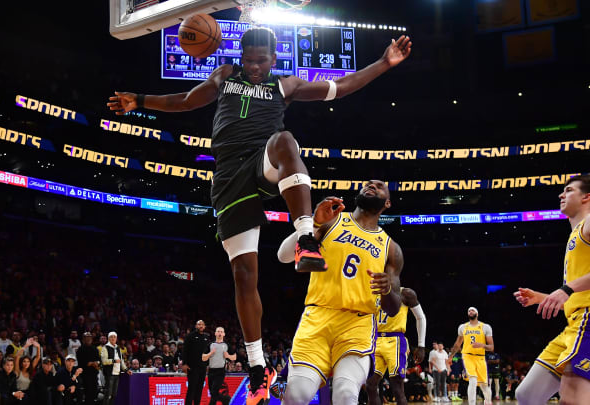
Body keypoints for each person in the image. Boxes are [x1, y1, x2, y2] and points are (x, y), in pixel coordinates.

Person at [108, 29, 412, 404]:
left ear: (273, 59)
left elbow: (343, 85)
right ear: (241, 55)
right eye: (249, 59)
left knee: (285, 141)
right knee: (243, 274)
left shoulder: (286, 85)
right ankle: (256, 365)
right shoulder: (224, 76)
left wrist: (384, 62)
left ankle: (304, 237)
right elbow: (186, 101)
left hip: (262, 161)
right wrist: (139, 100)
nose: (254, 66)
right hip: (229, 179)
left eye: (261, 60)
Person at [277, 181, 404, 405]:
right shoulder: (332, 221)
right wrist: (313, 223)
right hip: (317, 318)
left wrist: (386, 291)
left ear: (387, 203)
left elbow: (393, 308)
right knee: (295, 396)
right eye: (368, 184)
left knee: (345, 394)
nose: (371, 185)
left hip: (358, 324)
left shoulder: (391, 248)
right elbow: (283, 255)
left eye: (379, 186)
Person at [513, 175, 590, 405]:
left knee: (572, 400)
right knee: (527, 394)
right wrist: (543, 298)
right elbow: (586, 289)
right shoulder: (575, 235)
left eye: (568, 190)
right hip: (577, 322)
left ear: (587, 197)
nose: (561, 195)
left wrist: (566, 288)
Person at [366, 288, 427, 405]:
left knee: (397, 388)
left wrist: (421, 346)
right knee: (370, 385)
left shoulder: (405, 293)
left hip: (396, 340)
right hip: (375, 339)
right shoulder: (372, 292)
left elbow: (421, 317)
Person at [447, 307, 494, 405]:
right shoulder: (463, 327)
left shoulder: (485, 327)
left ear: (477, 313)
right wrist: (451, 356)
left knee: (484, 385)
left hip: (480, 357)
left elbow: (491, 347)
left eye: (472, 310)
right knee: (472, 380)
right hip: (467, 356)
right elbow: (457, 344)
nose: (470, 311)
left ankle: (488, 401)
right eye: (469, 311)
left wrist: (482, 345)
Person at [203, 327, 235, 405]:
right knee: (213, 392)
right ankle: (225, 399)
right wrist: (210, 353)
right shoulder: (210, 345)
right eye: (218, 331)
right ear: (215, 333)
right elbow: (203, 357)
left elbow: (234, 357)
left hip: (220, 371)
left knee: (214, 391)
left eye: (221, 332)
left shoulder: (226, 345)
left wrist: (228, 356)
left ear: (224, 334)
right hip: (211, 371)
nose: (220, 333)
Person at [182, 320, 211, 405]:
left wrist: (208, 364)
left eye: (202, 324)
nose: (200, 326)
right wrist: (184, 364)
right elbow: (185, 351)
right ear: (196, 326)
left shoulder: (207, 337)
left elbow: (208, 352)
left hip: (203, 367)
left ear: (205, 327)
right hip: (192, 367)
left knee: (199, 389)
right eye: (199, 324)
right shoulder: (190, 336)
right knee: (192, 388)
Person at [100, 331, 130, 405]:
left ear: (116, 338)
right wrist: (113, 361)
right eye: (111, 337)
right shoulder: (105, 348)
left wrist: (126, 370)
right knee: (108, 394)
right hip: (109, 374)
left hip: (117, 373)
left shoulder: (118, 348)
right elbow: (104, 361)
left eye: (114, 337)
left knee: (114, 395)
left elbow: (121, 361)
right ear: (108, 338)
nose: (113, 338)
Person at [76, 332, 100, 405]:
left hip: (94, 373)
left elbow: (98, 360)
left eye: (90, 337)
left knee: (94, 391)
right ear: (83, 339)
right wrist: (92, 363)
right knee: (88, 392)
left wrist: (97, 363)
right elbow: (82, 362)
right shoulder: (80, 349)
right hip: (85, 374)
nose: (88, 339)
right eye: (86, 337)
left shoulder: (95, 348)